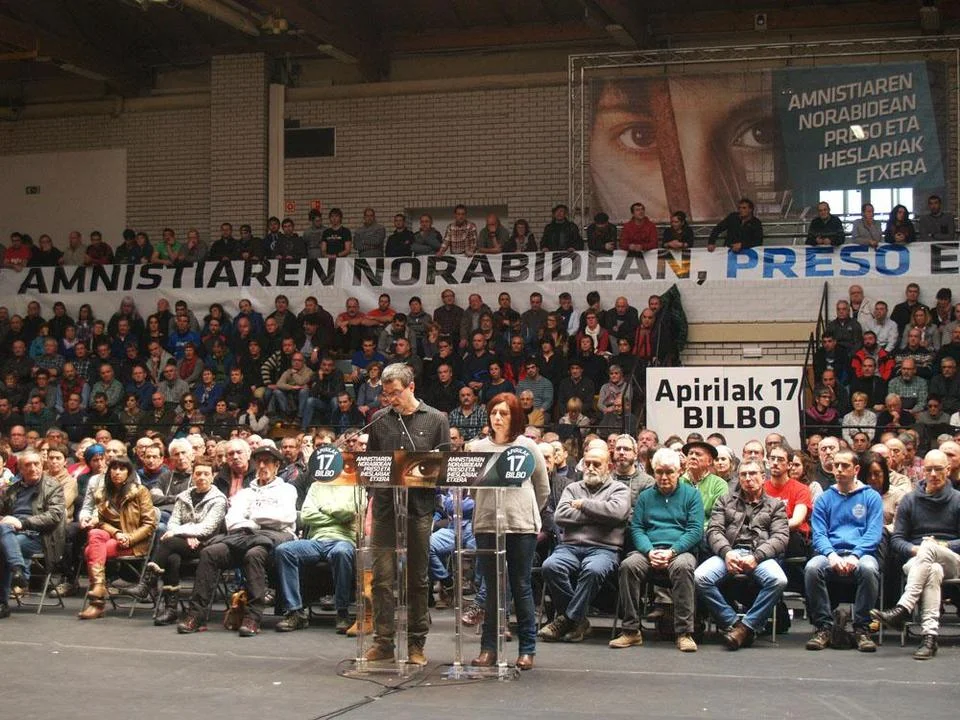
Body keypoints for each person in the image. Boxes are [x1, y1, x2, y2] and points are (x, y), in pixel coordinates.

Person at [364, 363, 449, 666]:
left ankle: (416, 644)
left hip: (419, 508)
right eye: (386, 395)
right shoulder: (379, 420)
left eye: (396, 393)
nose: (391, 400)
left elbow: (444, 469)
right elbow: (371, 466)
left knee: (417, 579)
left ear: (411, 387)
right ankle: (383, 641)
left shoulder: (436, 419)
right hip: (386, 508)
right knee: (382, 578)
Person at [466, 393, 550, 670]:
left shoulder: (528, 446)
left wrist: (525, 508)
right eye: (494, 413)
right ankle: (488, 648)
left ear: (515, 417)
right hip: (487, 523)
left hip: (520, 525)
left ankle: (527, 649)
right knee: (491, 588)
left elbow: (542, 488)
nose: (498, 418)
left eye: (504, 413)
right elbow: (471, 489)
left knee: (520, 586)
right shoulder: (477, 447)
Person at [178, 446, 297, 636]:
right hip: (244, 536)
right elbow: (232, 520)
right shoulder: (246, 492)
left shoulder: (287, 490)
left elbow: (284, 517)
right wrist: (258, 521)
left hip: (274, 538)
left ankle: (253, 617)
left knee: (253, 555)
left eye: (267, 461)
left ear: (277, 466)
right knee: (210, 553)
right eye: (259, 461)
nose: (262, 466)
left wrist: (252, 517)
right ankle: (196, 615)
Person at [610, 447, 703, 652]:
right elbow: (637, 528)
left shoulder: (692, 495)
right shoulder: (645, 497)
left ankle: (684, 633)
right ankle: (631, 631)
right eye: (659, 472)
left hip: (679, 552)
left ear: (679, 471)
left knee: (684, 567)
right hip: (649, 551)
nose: (664, 477)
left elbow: (695, 530)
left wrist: (672, 551)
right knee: (628, 566)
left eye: (669, 472)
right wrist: (649, 551)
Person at [871, 449, 960, 660]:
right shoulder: (910, 500)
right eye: (929, 469)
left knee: (930, 548)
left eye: (938, 469)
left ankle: (903, 607)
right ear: (923, 472)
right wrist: (917, 549)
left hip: (952, 559)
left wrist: (941, 545)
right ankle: (929, 638)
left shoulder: (958, 500)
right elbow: (897, 540)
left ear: (948, 470)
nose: (933, 474)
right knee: (933, 569)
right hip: (918, 559)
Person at [539, 443, 629, 644]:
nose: (590, 468)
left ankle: (566, 620)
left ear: (609, 467)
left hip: (604, 549)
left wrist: (583, 505)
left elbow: (616, 513)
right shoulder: (573, 488)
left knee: (593, 570)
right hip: (569, 547)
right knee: (550, 566)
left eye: (596, 464)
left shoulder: (619, 489)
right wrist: (600, 515)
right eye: (587, 463)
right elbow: (561, 516)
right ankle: (579, 621)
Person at [694, 460, 789, 650]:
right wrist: (727, 553)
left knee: (778, 580)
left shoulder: (775, 505)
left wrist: (757, 556)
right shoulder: (724, 501)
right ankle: (734, 623)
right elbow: (714, 531)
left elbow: (781, 537)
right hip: (729, 553)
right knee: (699, 577)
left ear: (763, 477)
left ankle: (746, 626)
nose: (748, 478)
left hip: (759, 556)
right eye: (743, 474)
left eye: (753, 473)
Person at [804, 450, 884, 652]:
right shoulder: (824, 499)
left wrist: (856, 555)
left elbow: (874, 533)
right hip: (831, 553)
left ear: (856, 469)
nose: (839, 469)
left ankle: (862, 628)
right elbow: (819, 534)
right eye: (836, 465)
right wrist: (831, 555)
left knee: (869, 569)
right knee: (812, 568)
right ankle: (824, 627)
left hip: (862, 554)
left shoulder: (871, 497)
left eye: (844, 465)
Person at [274, 465, 358, 634]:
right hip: (316, 540)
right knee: (284, 550)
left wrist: (323, 508)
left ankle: (342, 612)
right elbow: (307, 516)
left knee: (341, 552)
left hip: (343, 540)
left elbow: (350, 512)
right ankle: (295, 612)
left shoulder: (355, 486)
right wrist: (337, 517)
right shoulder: (316, 486)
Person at [149, 457, 227, 625]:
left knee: (168, 542)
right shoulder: (183, 497)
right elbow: (173, 523)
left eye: (206, 474)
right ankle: (171, 609)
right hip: (184, 543)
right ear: (192, 475)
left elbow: (207, 529)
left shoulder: (219, 500)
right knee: (172, 558)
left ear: (213, 476)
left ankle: (149, 581)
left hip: (207, 545)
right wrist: (187, 534)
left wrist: (182, 531)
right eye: (198, 473)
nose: (201, 477)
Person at [78, 456, 156, 620]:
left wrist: (129, 538)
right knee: (94, 533)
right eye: (114, 468)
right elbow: (100, 522)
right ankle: (99, 588)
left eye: (122, 469)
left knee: (90, 551)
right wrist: (116, 533)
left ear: (129, 472)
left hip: (135, 541)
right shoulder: (102, 493)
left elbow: (150, 524)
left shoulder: (140, 491)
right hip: (113, 535)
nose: (117, 472)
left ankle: (97, 602)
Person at [0, 450, 65, 618]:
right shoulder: (13, 488)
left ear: (42, 465)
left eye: (36, 464)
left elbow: (54, 516)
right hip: (11, 532)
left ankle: (2, 602)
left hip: (40, 535)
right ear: (20, 469)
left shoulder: (53, 486)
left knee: (3, 546)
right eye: (28, 465)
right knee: (4, 532)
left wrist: (22, 523)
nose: (33, 468)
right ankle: (18, 569)